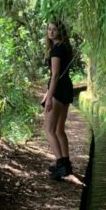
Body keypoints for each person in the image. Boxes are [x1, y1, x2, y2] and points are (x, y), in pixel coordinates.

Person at [40, 19, 74, 180]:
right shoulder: (65, 47)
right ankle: (66, 165)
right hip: (67, 87)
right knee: (59, 129)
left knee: (49, 129)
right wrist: (48, 93)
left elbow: (54, 75)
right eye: (49, 29)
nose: (51, 32)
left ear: (60, 31)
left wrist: (49, 98)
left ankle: (60, 165)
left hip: (59, 90)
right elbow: (59, 75)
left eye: (54, 29)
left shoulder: (56, 50)